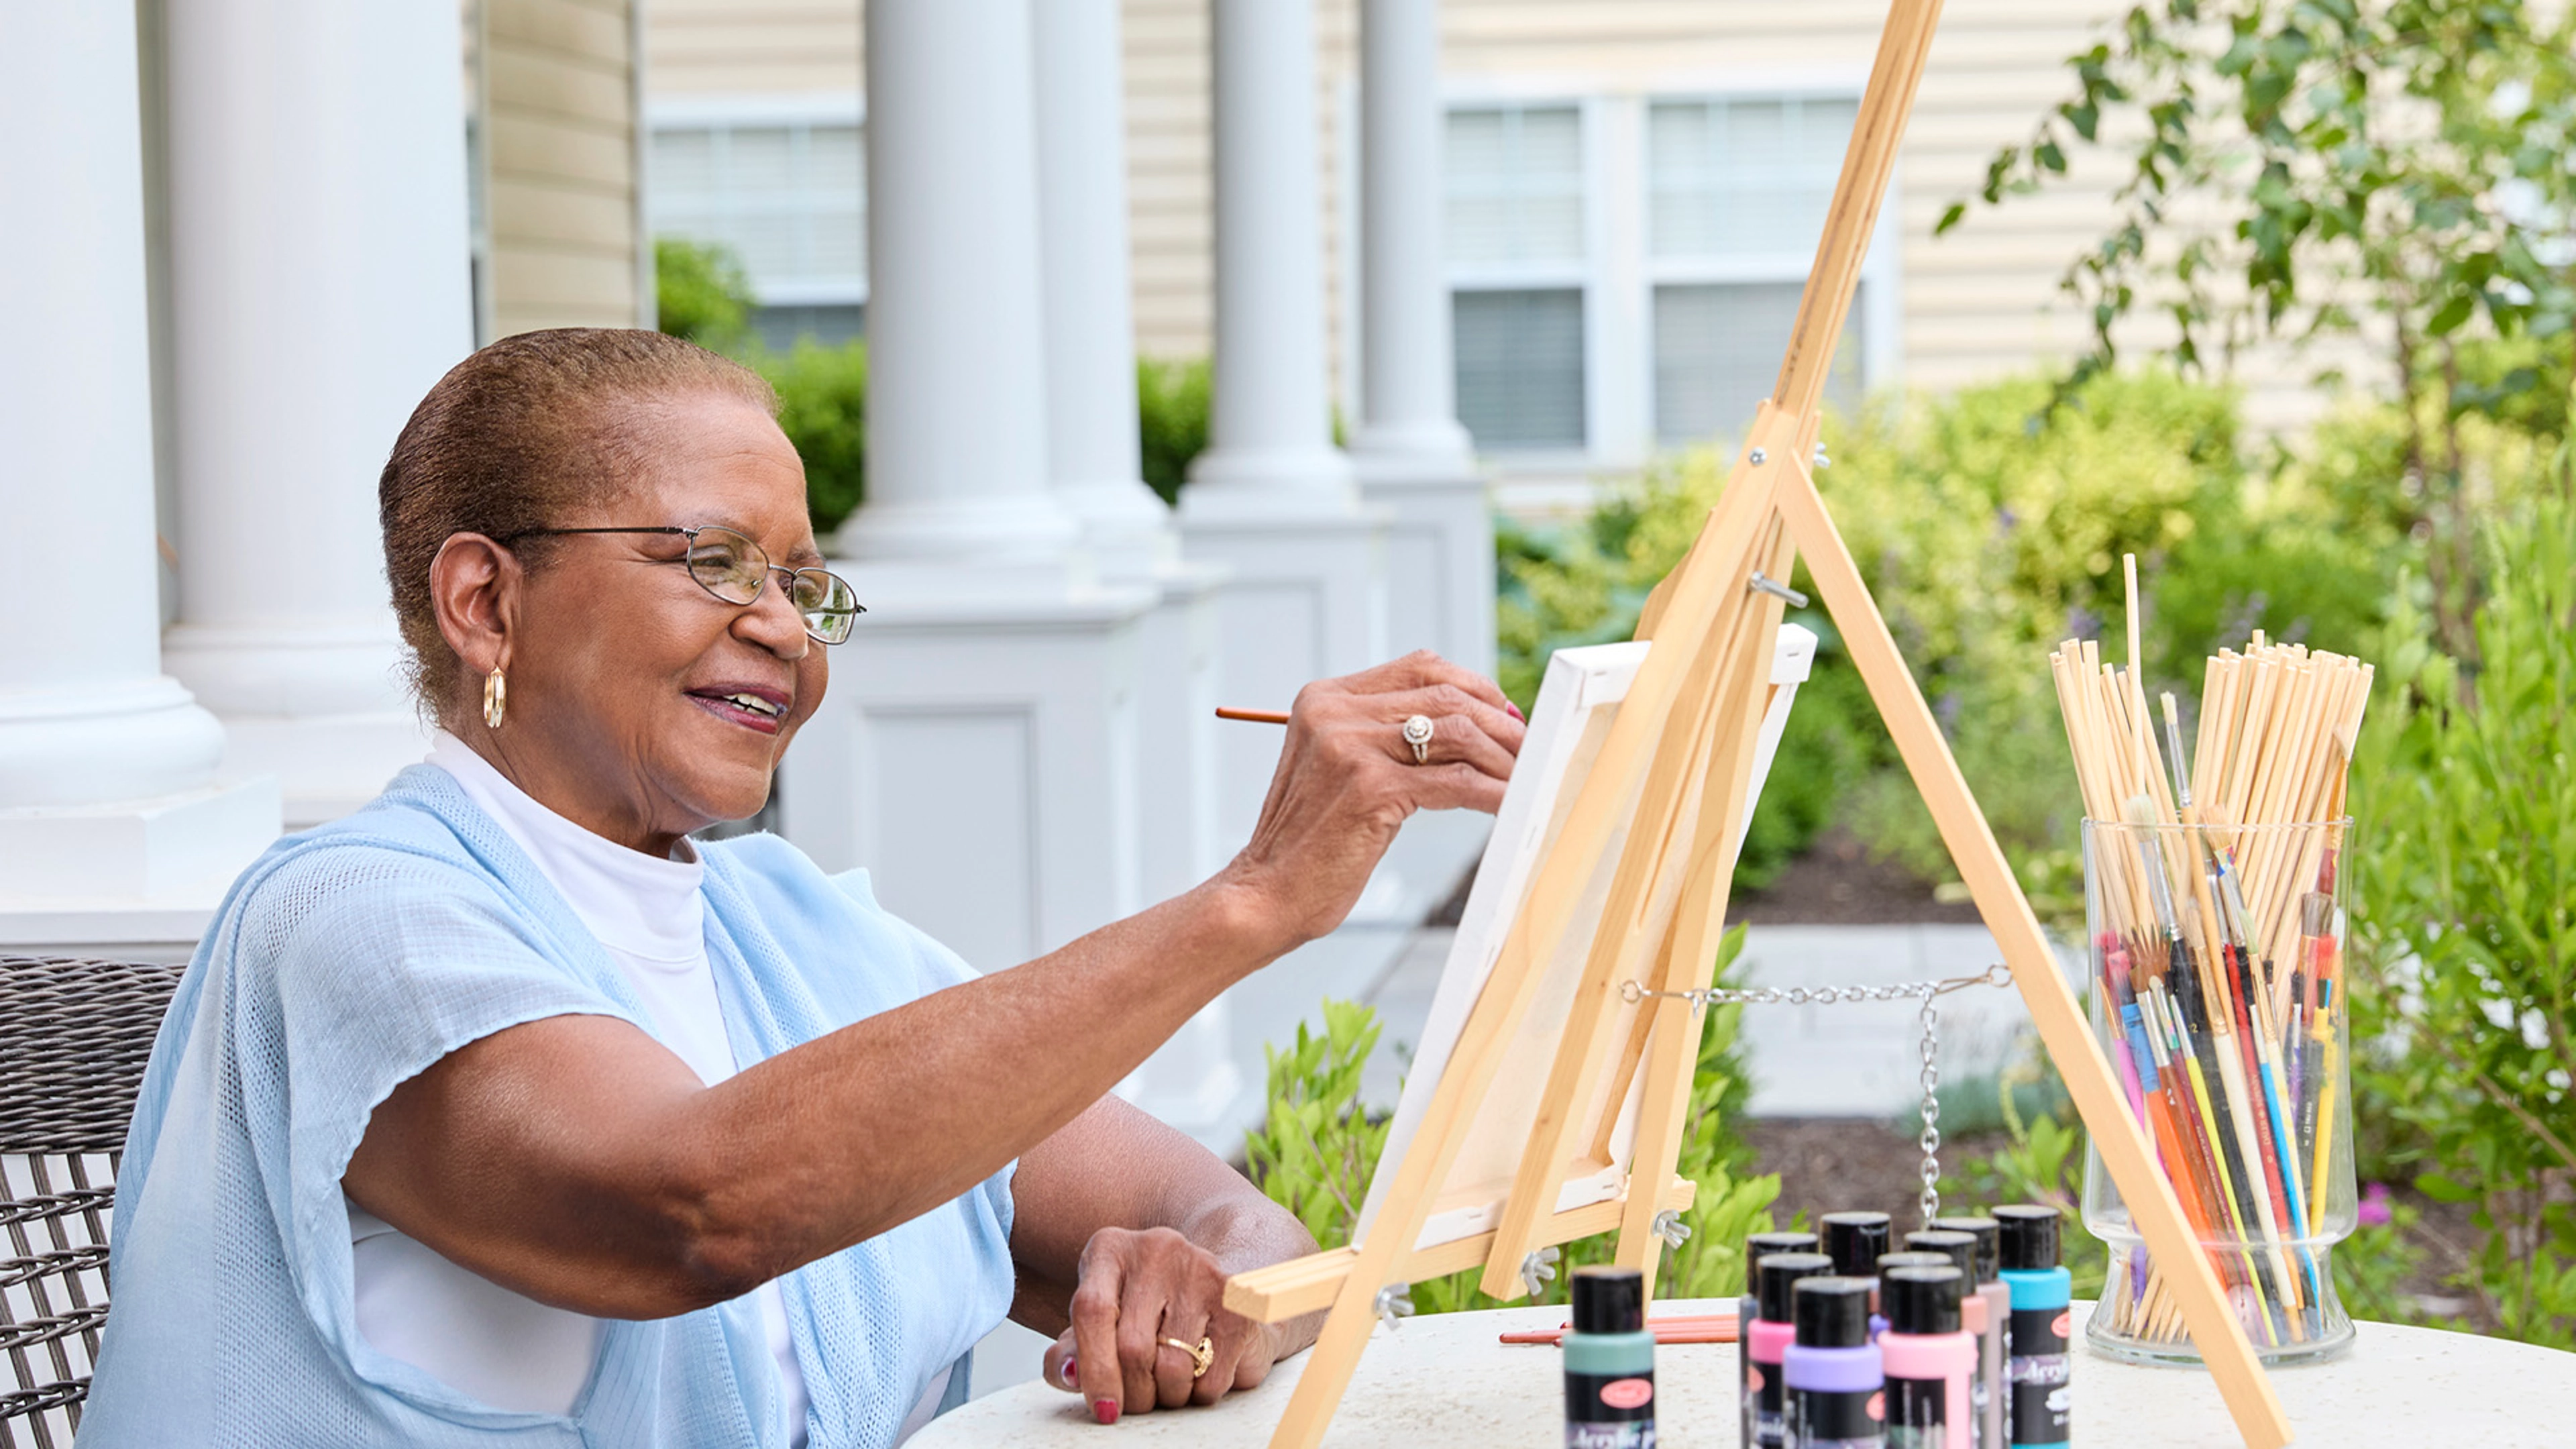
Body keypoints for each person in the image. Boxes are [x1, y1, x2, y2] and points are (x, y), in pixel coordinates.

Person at [80, 329, 1525, 1448]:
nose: (783, 630)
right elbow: (692, 1206)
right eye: (713, 561)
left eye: (807, 584)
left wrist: (1201, 1276)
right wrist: (1252, 901)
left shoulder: (796, 932)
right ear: (484, 602)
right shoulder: (353, 920)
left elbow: (1226, 1218)